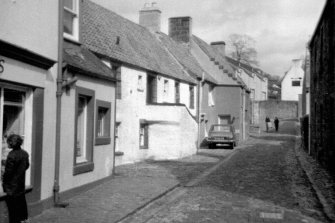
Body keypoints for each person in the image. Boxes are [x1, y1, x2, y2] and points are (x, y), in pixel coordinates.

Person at [2, 134, 30, 223]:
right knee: (21, 204)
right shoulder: (25, 153)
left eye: (8, 142)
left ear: (12, 143)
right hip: (20, 184)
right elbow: (27, 166)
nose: (7, 144)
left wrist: (4, 181)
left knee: (13, 210)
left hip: (12, 186)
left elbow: (8, 173)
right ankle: (24, 219)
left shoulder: (11, 155)